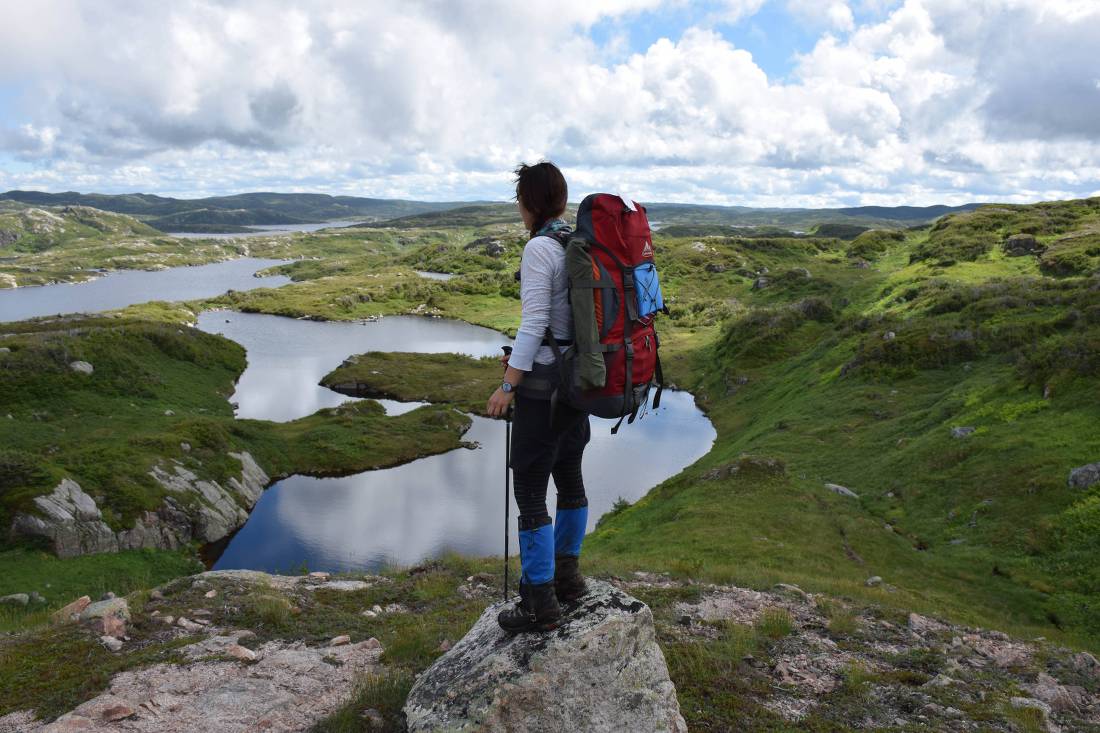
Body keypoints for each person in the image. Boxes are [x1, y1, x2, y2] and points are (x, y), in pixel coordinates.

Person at [486, 160, 590, 633]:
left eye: (520, 200)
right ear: (562, 201)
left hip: (543, 388)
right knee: (569, 477)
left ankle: (539, 603)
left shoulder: (539, 249)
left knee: (530, 489)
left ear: (528, 203)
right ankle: (569, 578)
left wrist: (508, 384)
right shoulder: (577, 243)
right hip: (579, 384)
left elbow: (533, 326)